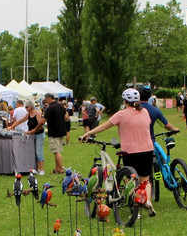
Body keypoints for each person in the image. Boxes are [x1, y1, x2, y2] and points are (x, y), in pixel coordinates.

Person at [80, 88, 156, 216]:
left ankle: (134, 207)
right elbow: (147, 123)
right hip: (147, 149)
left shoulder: (121, 114)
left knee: (129, 179)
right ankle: (147, 200)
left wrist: (88, 133)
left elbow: (105, 125)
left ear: (125, 101)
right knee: (145, 180)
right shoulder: (145, 112)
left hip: (130, 151)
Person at [42, 93, 68, 174]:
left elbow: (44, 120)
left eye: (46, 100)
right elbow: (66, 117)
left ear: (49, 99)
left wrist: (37, 127)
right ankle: (56, 169)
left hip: (54, 132)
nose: (46, 101)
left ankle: (61, 169)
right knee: (58, 150)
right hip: (61, 131)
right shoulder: (60, 105)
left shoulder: (50, 108)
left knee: (56, 152)